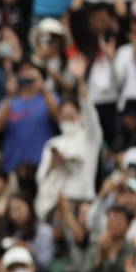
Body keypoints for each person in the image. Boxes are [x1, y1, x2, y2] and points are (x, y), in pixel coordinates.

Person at [34, 54, 102, 219]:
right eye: (63, 116)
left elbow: (90, 112)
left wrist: (80, 82)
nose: (67, 119)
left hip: (83, 202)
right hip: (58, 202)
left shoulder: (90, 137)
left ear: (79, 116)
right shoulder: (53, 143)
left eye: (71, 115)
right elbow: (40, 177)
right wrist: (53, 164)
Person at [0, 56, 59, 172]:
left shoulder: (48, 97)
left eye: (30, 70)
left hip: (43, 167)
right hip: (14, 167)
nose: (26, 74)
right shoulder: (9, 101)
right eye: (21, 71)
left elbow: (59, 118)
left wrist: (43, 87)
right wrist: (10, 95)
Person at [80, 204, 136, 272]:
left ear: (129, 225)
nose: (115, 224)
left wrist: (112, 255)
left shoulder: (131, 251)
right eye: (111, 219)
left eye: (120, 220)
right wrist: (99, 259)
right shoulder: (97, 248)